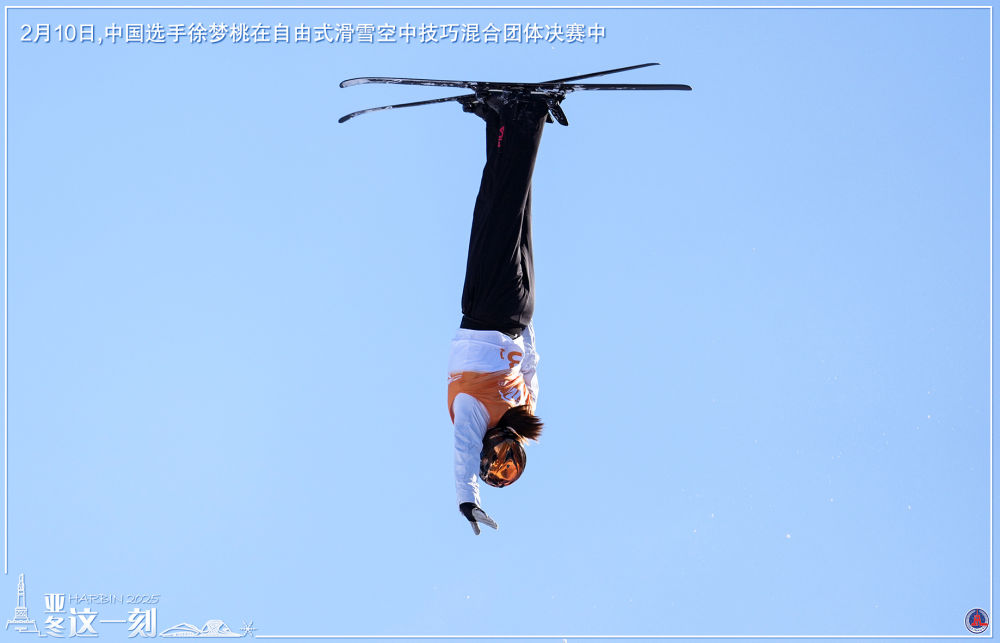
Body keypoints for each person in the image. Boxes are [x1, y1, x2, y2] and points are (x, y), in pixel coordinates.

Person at [447, 91, 555, 535]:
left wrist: (523, 322)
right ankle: (528, 114)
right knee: (506, 209)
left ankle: (498, 122)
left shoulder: (487, 416)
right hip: (495, 310)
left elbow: (530, 363)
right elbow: (531, 363)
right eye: (512, 461)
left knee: (501, 211)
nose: (503, 454)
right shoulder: (483, 414)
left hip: (509, 312)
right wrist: (466, 499)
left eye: (496, 462)